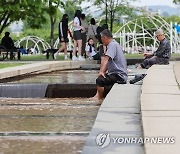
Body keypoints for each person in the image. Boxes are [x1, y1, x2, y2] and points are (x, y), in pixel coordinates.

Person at [92, 29, 128, 101]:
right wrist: (103, 72)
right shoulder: (115, 44)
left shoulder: (112, 45)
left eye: (101, 38)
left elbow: (106, 59)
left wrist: (101, 71)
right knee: (102, 77)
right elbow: (108, 63)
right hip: (120, 74)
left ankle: (99, 98)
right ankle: (98, 95)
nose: (101, 40)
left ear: (104, 37)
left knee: (99, 80)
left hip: (119, 76)